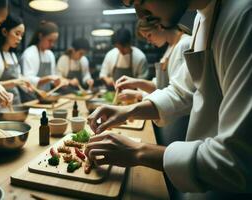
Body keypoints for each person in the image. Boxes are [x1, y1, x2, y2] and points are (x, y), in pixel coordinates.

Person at [86, 0, 252, 199]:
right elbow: (182, 91)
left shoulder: (244, 16)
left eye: (138, 0)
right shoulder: (202, 17)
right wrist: (128, 111)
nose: (140, 15)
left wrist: (138, 151)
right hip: (198, 184)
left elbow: (235, 162)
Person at [117, 19, 192, 146]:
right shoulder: (171, 46)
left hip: (178, 119)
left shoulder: (185, 44)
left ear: (159, 26)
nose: (149, 41)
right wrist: (136, 82)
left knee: (173, 154)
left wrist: (138, 95)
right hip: (167, 117)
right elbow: (161, 85)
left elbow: (179, 95)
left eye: (149, 35)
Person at [0, 15, 32, 104]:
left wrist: (24, 83)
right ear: (5, 32)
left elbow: (18, 76)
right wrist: (15, 82)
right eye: (17, 33)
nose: (20, 38)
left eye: (22, 35)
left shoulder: (13, 55)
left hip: (16, 100)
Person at [21, 20, 65, 92]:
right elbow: (27, 79)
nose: (52, 44)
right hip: (31, 95)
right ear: (40, 36)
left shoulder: (50, 54)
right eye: (50, 40)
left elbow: (52, 77)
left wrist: (58, 81)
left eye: (54, 41)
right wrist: (49, 78)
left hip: (46, 94)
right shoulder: (29, 53)